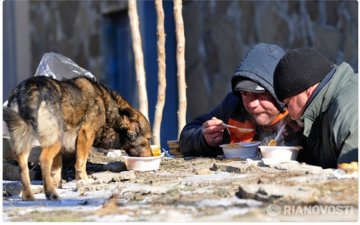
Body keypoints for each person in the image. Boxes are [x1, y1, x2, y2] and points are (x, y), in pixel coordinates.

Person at [179, 43, 305, 158]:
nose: (251, 104)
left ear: (278, 92)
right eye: (245, 93)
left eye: (260, 94)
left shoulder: (298, 112)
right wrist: (204, 138)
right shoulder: (234, 106)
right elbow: (187, 136)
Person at [273, 47, 358, 169]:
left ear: (307, 89)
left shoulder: (348, 113)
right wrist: (299, 135)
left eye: (287, 104)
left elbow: (349, 178)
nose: (287, 111)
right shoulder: (325, 106)